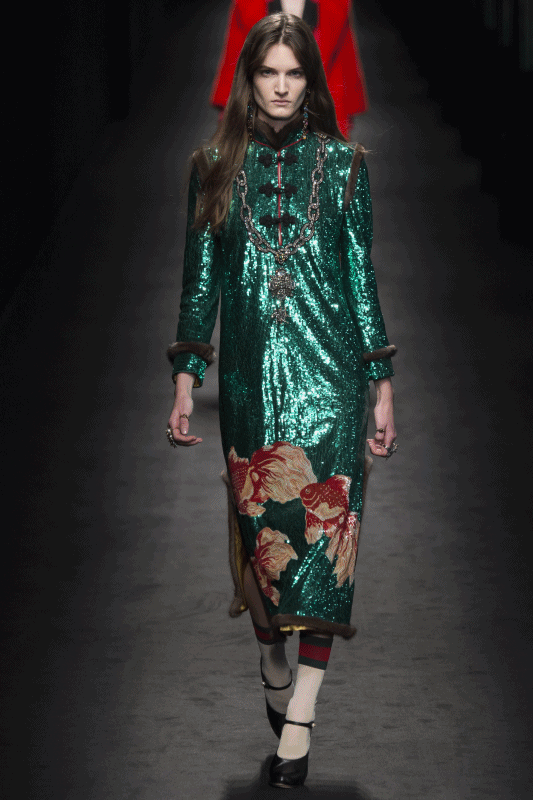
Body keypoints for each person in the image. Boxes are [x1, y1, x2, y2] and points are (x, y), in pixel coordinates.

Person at [167, 12, 397, 789]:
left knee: (329, 543)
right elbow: (199, 280)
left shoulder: (344, 166)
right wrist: (185, 379)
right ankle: (270, 654)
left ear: (310, 81)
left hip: (332, 381)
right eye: (267, 72)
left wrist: (381, 385)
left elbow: (361, 277)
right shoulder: (211, 167)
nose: (280, 86)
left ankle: (300, 716)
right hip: (248, 386)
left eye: (293, 73)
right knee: (263, 541)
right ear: (248, 79)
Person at [211, 0, 368, 137]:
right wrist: (231, 118)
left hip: (320, 112)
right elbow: (235, 61)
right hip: (262, 118)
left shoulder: (335, 5)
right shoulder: (248, 4)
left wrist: (341, 120)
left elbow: (344, 62)